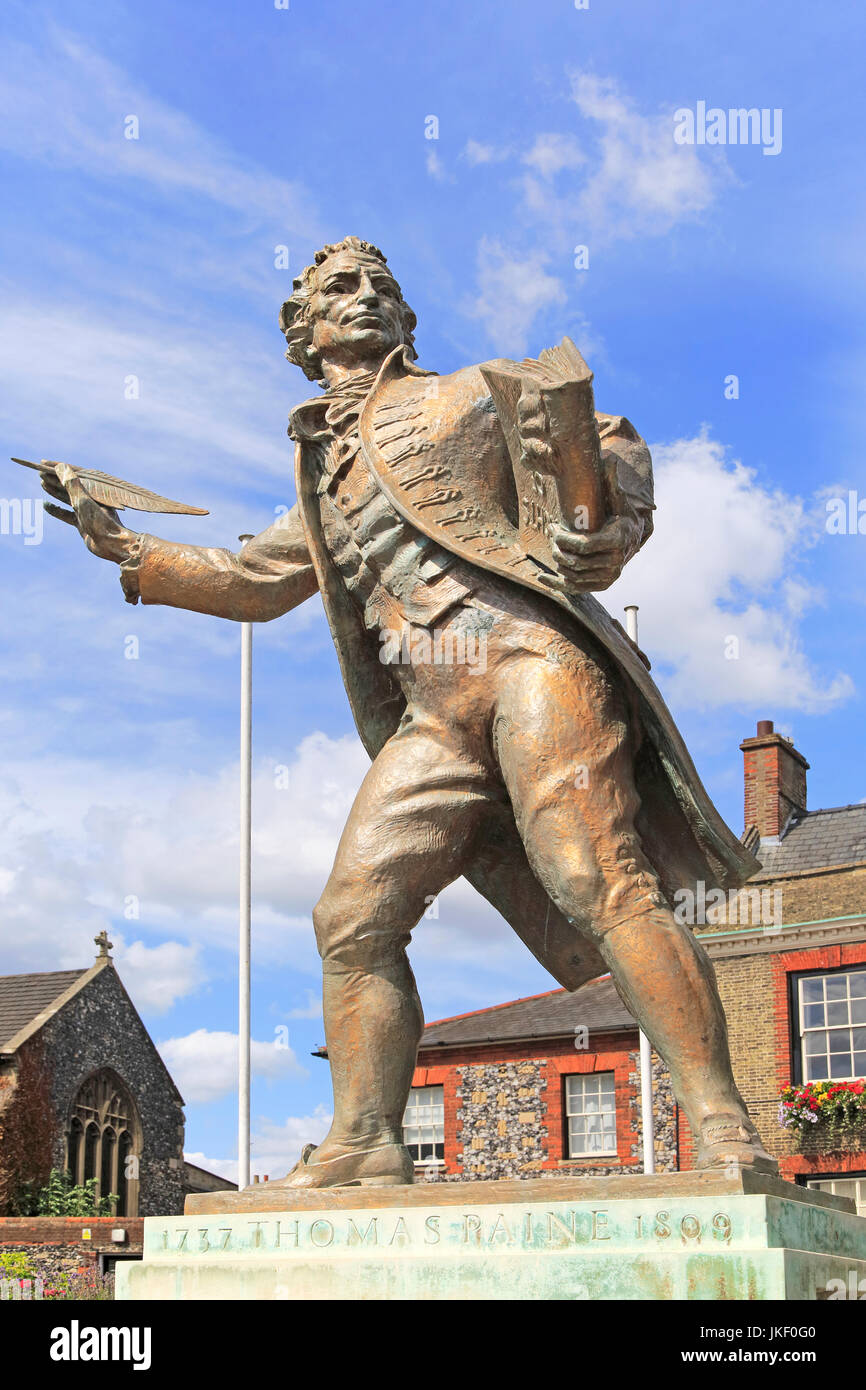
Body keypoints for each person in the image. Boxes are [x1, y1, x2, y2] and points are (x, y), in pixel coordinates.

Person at [44, 236, 775, 1187]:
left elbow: (604, 438)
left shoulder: (462, 392)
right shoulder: (321, 476)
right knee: (351, 918)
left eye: (381, 287)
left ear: (404, 321)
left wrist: (614, 523)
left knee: (595, 874)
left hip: (529, 661)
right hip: (433, 718)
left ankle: (721, 1122)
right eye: (340, 290)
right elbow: (253, 581)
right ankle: (367, 1136)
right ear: (302, 332)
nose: (366, 298)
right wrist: (129, 549)